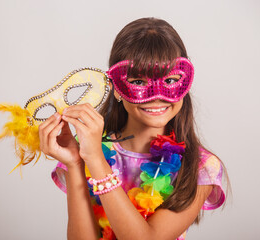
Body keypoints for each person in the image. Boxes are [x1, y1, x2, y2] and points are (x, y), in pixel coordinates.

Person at [39, 17, 228, 240]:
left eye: (170, 80)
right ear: (117, 88)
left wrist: (97, 161)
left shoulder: (200, 166)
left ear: (185, 83)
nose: (158, 97)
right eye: (138, 82)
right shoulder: (86, 152)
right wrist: (75, 163)